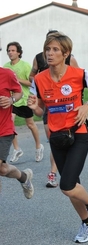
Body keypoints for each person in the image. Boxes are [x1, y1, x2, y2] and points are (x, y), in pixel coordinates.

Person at [28, 32, 88, 243]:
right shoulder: (39, 80)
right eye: (47, 50)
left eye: (55, 50)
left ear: (66, 53)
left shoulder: (80, 73)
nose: (50, 54)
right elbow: (41, 110)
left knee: (67, 185)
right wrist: (35, 106)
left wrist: (87, 106)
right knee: (72, 187)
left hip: (78, 133)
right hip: (56, 137)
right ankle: (86, 223)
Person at [29, 29, 80, 188]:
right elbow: (32, 75)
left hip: (67, 106)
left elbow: (78, 79)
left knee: (67, 141)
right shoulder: (38, 58)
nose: (50, 51)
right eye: (48, 46)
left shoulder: (69, 58)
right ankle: (53, 173)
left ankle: (68, 171)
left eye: (55, 45)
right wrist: (37, 85)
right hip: (49, 105)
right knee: (54, 139)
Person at [3, 42, 44, 163]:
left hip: (25, 99)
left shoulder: (25, 65)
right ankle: (17, 149)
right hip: (12, 100)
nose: (10, 52)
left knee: (30, 124)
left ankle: (38, 146)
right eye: (9, 50)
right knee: (9, 123)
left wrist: (17, 79)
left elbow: (31, 82)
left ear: (18, 53)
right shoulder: (5, 66)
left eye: (13, 50)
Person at [0, 67, 34, 199]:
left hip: (3, 129)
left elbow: (18, 91)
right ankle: (24, 177)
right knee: (2, 169)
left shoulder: (6, 74)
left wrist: (10, 100)